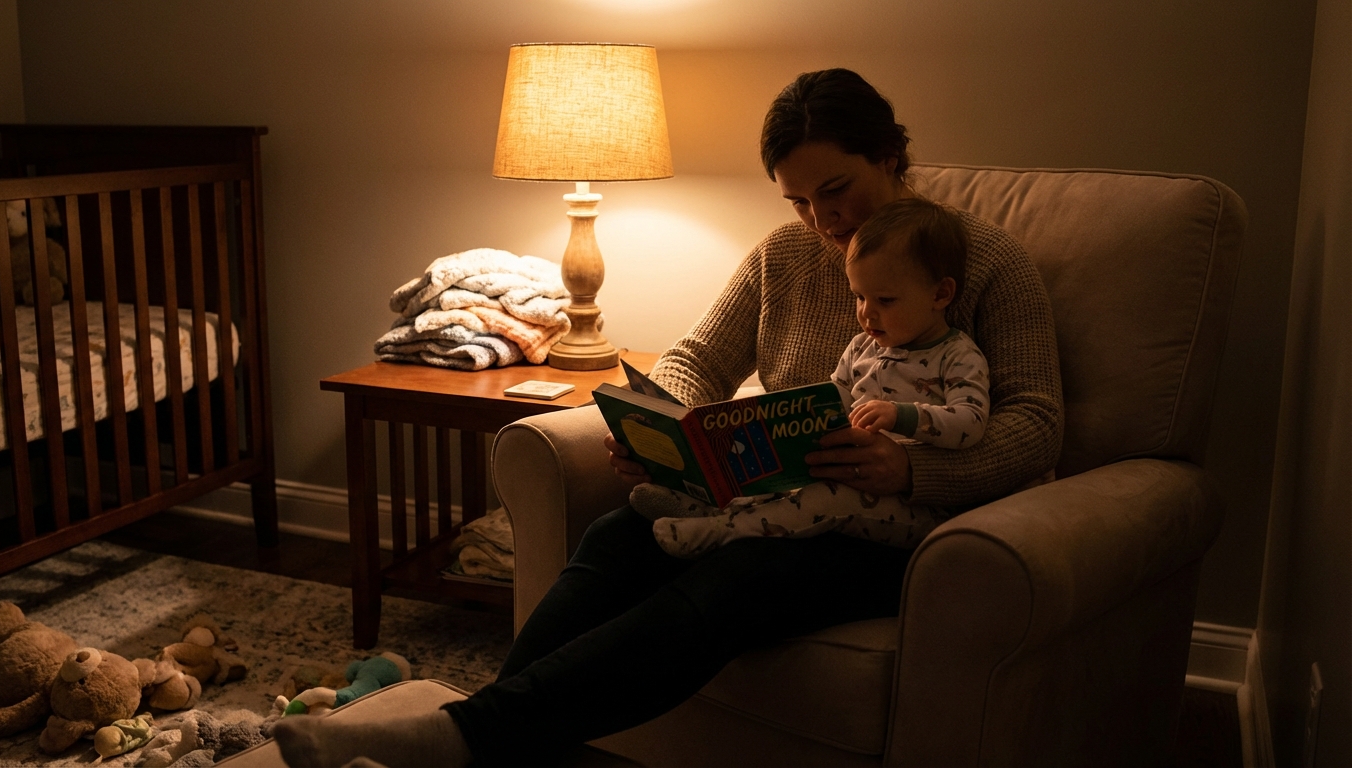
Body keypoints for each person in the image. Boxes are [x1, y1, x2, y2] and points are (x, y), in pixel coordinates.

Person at [274, 67, 1062, 768]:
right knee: (622, 534)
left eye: (836, 190)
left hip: (891, 529)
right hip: (780, 498)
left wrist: (913, 465)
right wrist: (664, 434)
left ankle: (462, 738)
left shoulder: (982, 262)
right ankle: (478, 740)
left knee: (737, 577)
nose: (821, 220)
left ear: (890, 158)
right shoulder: (782, 256)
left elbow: (1035, 423)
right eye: (797, 199)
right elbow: (694, 358)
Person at [631, 197, 991, 558]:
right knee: (774, 474)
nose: (867, 314)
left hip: (916, 508)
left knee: (823, 497)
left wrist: (903, 415)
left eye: (885, 300)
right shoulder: (862, 346)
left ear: (941, 294)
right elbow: (834, 395)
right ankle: (705, 508)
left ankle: (717, 533)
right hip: (843, 474)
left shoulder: (958, 355)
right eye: (859, 297)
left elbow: (971, 422)